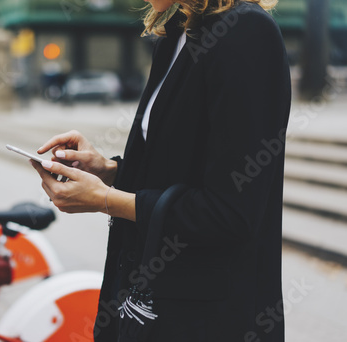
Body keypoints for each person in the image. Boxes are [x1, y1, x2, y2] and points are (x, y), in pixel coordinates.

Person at [31, 0, 291, 341]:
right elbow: (174, 171)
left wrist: (106, 200)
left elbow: (231, 213)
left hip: (207, 318)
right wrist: (108, 172)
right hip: (148, 297)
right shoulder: (176, 33)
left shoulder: (248, 33)